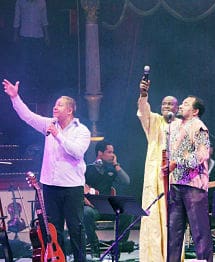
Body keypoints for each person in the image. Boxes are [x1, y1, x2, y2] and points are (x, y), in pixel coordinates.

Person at [2, 79, 91, 261]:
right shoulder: (48, 124)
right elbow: (27, 116)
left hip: (72, 187)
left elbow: (76, 152)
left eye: (59, 105)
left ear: (70, 110)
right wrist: (15, 97)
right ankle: (60, 259)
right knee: (53, 231)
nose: (55, 108)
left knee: (76, 228)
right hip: (50, 186)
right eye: (55, 105)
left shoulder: (81, 131)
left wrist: (58, 136)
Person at [163, 95, 213, 262]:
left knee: (199, 232)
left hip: (193, 185)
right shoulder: (174, 125)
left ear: (195, 111)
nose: (182, 106)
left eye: (186, 104)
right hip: (176, 184)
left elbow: (202, 154)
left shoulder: (199, 126)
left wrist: (177, 163)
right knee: (173, 231)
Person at [137, 79, 180, 261]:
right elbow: (143, 112)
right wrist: (144, 94)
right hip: (154, 177)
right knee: (153, 217)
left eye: (171, 104)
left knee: (172, 219)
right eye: (164, 103)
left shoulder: (181, 125)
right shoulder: (154, 121)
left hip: (173, 177)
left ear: (177, 109)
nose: (167, 106)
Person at [83, 140, 131, 258]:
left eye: (113, 152)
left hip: (107, 206)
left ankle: (118, 245)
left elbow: (126, 181)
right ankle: (94, 246)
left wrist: (115, 164)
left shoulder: (111, 169)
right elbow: (79, 188)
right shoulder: (87, 168)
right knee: (86, 213)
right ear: (100, 153)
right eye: (109, 152)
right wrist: (85, 198)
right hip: (92, 207)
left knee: (127, 210)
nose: (112, 155)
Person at [13, 0, 49, 98]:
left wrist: (46, 36)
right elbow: (17, 18)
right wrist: (15, 35)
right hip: (24, 36)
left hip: (38, 36)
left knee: (38, 63)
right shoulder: (20, 2)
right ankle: (24, 88)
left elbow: (44, 19)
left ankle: (38, 88)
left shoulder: (41, 2)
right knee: (25, 63)